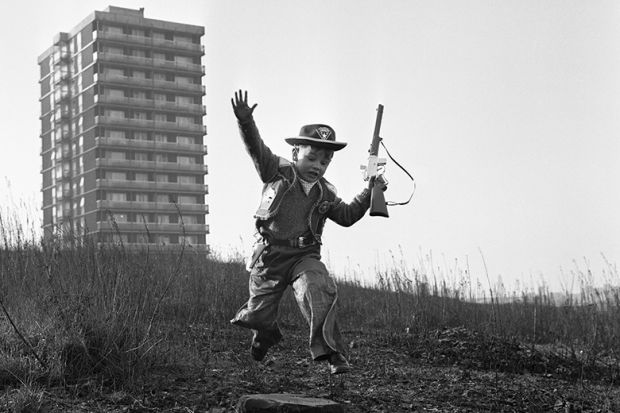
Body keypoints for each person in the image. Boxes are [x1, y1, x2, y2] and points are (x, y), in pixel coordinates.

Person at [229, 90, 386, 374]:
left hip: (304, 255)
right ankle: (264, 334)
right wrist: (246, 122)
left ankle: (333, 354)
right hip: (270, 256)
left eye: (324, 162)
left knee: (318, 288)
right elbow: (256, 147)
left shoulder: (326, 193)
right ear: (295, 154)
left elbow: (348, 215)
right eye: (312, 158)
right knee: (258, 315)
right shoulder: (276, 172)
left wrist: (370, 192)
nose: (317, 166)